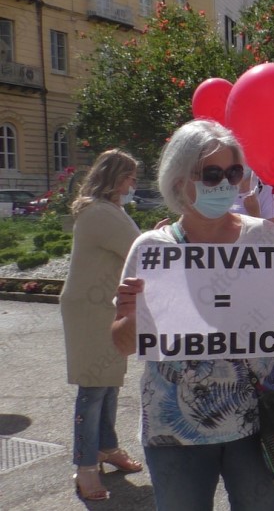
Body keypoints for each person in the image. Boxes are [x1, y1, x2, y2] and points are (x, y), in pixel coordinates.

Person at [110, 120, 274, 510]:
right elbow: (123, 343)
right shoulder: (152, 250)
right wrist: (134, 314)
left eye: (233, 172)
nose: (225, 183)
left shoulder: (265, 238)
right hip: (176, 433)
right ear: (179, 181)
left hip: (261, 421)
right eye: (212, 174)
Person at [61, 149, 144, 500]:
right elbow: (139, 251)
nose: (133, 183)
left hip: (101, 306)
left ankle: (106, 447)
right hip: (91, 310)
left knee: (108, 382)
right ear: (114, 177)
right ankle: (85, 467)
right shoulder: (100, 213)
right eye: (129, 177)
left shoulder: (108, 209)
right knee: (94, 387)